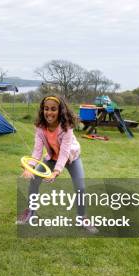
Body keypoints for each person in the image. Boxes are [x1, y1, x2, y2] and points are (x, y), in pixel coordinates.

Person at [18, 95, 97, 234]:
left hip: (71, 158)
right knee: (34, 181)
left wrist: (56, 172)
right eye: (46, 109)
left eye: (53, 109)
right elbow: (37, 151)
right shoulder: (40, 127)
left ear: (60, 110)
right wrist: (29, 167)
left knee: (80, 187)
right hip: (52, 157)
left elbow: (65, 153)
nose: (49, 112)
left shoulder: (67, 127)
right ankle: (31, 211)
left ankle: (82, 217)